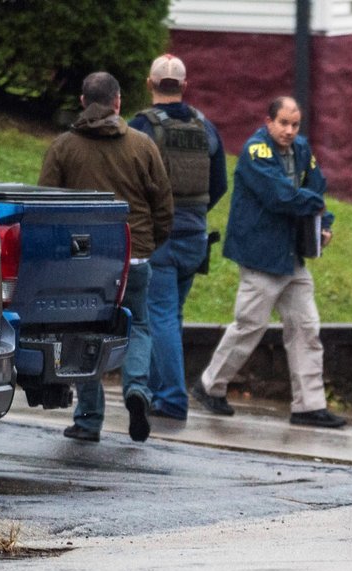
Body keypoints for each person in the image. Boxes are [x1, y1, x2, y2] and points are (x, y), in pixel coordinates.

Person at [191, 96, 346, 428]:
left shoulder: (301, 149)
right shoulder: (255, 152)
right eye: (283, 124)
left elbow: (316, 186)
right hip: (261, 255)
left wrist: (325, 223)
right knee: (249, 326)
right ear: (268, 121)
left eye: (295, 124)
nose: (289, 131)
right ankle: (209, 386)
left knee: (306, 329)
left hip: (291, 257)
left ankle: (309, 406)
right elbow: (280, 196)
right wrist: (315, 204)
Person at [39, 71, 174, 443]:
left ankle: (88, 419)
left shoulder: (63, 147)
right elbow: (163, 203)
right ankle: (137, 390)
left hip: (83, 260)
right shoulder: (142, 145)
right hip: (135, 253)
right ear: (117, 102)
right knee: (139, 325)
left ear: (83, 101)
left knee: (83, 333)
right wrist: (149, 243)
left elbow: (46, 206)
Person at [129, 54, 228, 421]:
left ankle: (171, 398)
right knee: (171, 315)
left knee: (161, 316)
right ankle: (158, 391)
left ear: (149, 83)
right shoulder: (207, 128)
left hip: (161, 238)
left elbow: (130, 181)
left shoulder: (141, 126)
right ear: (185, 86)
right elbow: (219, 184)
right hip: (196, 238)